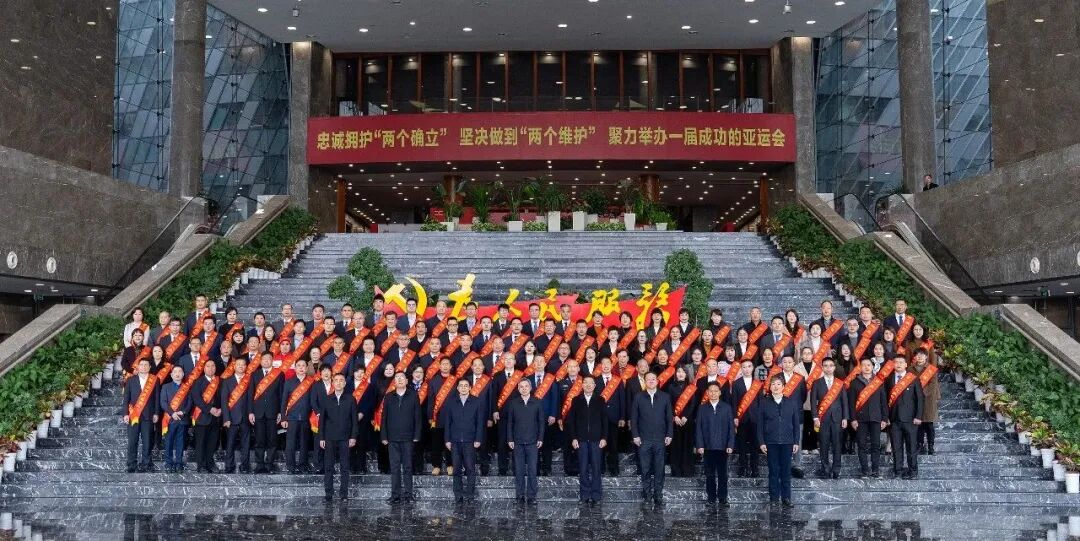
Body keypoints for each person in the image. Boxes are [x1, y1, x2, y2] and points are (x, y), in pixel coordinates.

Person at [757, 375, 801, 507]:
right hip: (771, 442)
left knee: (786, 471)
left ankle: (786, 498)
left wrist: (796, 441)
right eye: (773, 384)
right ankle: (774, 499)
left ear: (783, 387)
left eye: (778, 384)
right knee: (773, 471)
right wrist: (761, 442)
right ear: (770, 387)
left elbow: (796, 424)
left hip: (787, 442)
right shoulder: (764, 403)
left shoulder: (791, 402)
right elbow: (760, 425)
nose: (775, 387)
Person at [630, 372, 673, 506]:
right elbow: (634, 418)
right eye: (648, 379)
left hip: (660, 439)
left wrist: (669, 434)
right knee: (645, 469)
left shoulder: (665, 397)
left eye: (653, 379)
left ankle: (658, 495)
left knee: (659, 469)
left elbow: (669, 418)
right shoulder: (638, 397)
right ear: (645, 381)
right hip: (644, 439)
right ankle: (647, 495)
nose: (651, 381)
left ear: (657, 381)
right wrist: (635, 435)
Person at [566, 376, 608, 505]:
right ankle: (584, 496)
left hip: (596, 440)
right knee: (583, 468)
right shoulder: (576, 400)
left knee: (596, 468)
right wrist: (574, 438)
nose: (588, 385)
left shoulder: (600, 400)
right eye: (585, 383)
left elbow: (605, 420)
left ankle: (596, 496)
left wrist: (604, 437)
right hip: (581, 440)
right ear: (582, 385)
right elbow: (571, 421)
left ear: (595, 386)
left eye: (591, 383)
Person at [442, 378, 486, 502]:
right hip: (455, 441)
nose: (463, 388)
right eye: (461, 385)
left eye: (466, 385)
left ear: (470, 388)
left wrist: (478, 439)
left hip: (470, 441)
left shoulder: (477, 402)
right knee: (456, 469)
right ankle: (458, 495)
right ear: (457, 388)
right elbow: (447, 422)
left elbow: (480, 423)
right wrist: (447, 440)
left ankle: (470, 495)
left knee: (470, 469)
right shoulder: (451, 402)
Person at [382, 372, 422, 503]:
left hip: (408, 437)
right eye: (397, 378)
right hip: (392, 437)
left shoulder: (413, 395)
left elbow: (417, 416)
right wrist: (384, 435)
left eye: (402, 378)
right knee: (394, 467)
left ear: (406, 381)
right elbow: (384, 417)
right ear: (394, 381)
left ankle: (408, 494)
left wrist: (416, 435)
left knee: (408, 467)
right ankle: (395, 495)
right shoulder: (389, 396)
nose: (399, 380)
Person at [319, 373, 359, 502]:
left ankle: (344, 494)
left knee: (345, 467)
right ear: (332, 383)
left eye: (341, 380)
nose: (338, 382)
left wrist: (353, 436)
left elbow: (354, 420)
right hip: (329, 437)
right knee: (328, 466)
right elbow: (322, 421)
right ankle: (328, 493)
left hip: (345, 438)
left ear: (345, 383)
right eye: (336, 380)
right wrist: (321, 437)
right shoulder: (327, 399)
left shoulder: (351, 399)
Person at [506, 378, 545, 504]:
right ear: (518, 389)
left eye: (526, 386)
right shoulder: (513, 403)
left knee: (533, 470)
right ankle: (520, 495)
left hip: (533, 442)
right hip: (517, 442)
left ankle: (532, 496)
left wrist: (540, 438)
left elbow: (541, 422)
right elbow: (510, 422)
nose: (524, 389)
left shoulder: (537, 402)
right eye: (521, 387)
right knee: (519, 470)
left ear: (530, 388)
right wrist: (510, 439)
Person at [696, 382, 735, 505]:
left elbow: (731, 428)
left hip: (723, 447)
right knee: (709, 474)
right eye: (710, 391)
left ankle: (723, 498)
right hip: (708, 447)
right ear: (707, 393)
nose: (713, 393)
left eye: (715, 391)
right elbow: (698, 428)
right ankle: (711, 498)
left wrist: (730, 445)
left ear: (720, 392)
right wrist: (700, 445)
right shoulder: (702, 408)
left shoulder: (727, 408)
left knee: (723, 474)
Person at [809, 358, 848, 479]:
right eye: (825, 365)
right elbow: (813, 402)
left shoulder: (840, 383)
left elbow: (844, 402)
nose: (828, 368)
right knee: (824, 444)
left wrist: (845, 417)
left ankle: (836, 470)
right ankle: (825, 469)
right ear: (822, 367)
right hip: (822, 419)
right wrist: (815, 417)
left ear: (834, 367)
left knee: (837, 445)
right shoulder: (817, 383)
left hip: (837, 418)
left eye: (831, 365)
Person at [849, 358, 888, 478]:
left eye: (869, 365)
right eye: (864, 365)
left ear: (873, 367)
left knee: (876, 445)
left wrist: (884, 418)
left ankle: (875, 470)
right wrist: (853, 419)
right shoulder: (854, 383)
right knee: (861, 445)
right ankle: (865, 470)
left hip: (876, 418)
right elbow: (851, 403)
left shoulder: (878, 382)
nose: (866, 367)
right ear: (860, 367)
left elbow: (883, 402)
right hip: (860, 419)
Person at [886, 355, 923, 479]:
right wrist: (886, 417)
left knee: (911, 447)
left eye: (901, 362)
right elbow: (885, 399)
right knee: (896, 447)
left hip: (910, 420)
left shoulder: (913, 379)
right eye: (896, 362)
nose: (898, 364)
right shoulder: (889, 379)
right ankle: (898, 471)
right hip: (894, 420)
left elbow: (920, 399)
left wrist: (918, 416)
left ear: (906, 365)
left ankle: (913, 471)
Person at [121, 358, 159, 473]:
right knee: (132, 441)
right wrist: (125, 414)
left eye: (146, 365)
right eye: (141, 364)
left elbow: (157, 398)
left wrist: (156, 413)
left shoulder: (155, 380)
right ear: (138, 367)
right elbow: (126, 399)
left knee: (147, 441)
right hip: (133, 415)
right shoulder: (130, 380)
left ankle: (146, 464)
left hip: (148, 415)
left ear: (149, 367)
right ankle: (131, 464)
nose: (143, 366)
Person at [281, 359, 315, 474]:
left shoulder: (311, 382)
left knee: (304, 443)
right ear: (295, 368)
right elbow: (284, 401)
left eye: (303, 366)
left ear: (307, 368)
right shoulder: (289, 382)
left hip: (306, 417)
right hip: (292, 418)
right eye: (298, 366)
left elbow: (313, 400)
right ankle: (290, 467)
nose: (301, 368)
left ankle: (302, 466)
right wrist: (283, 418)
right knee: (290, 444)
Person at [250, 352, 282, 473]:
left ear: (272, 360)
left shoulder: (279, 374)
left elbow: (281, 395)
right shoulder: (255, 374)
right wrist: (250, 412)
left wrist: (280, 412)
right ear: (260, 361)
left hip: (273, 412)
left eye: (269, 359)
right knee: (259, 440)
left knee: (272, 440)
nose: (266, 361)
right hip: (258, 412)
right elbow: (250, 394)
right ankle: (259, 464)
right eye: (264, 359)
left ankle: (269, 464)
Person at [220, 357, 253, 473]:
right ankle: (229, 466)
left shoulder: (249, 380)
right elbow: (224, 401)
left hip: (245, 417)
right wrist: (226, 418)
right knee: (230, 443)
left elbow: (251, 399)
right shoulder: (227, 381)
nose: (241, 366)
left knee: (246, 443)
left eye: (243, 364)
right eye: (238, 364)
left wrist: (250, 413)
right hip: (231, 418)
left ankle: (245, 466)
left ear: (246, 366)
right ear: (234, 366)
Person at [730, 359, 761, 477]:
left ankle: (755, 468)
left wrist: (760, 417)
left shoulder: (758, 384)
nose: (747, 369)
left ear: (753, 368)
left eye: (749, 366)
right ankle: (742, 467)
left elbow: (760, 402)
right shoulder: (736, 383)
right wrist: (735, 417)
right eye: (744, 367)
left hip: (755, 418)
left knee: (755, 444)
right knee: (741, 444)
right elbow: (734, 402)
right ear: (741, 369)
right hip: (741, 418)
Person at [191, 360, 222, 473]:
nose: (211, 368)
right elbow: (197, 399)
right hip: (202, 417)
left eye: (213, 366)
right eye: (208, 366)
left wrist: (221, 409)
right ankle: (201, 465)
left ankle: (210, 463)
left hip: (216, 418)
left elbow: (224, 397)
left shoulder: (220, 381)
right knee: (201, 443)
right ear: (204, 368)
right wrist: (210, 409)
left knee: (212, 443)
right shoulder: (197, 382)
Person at [159, 365, 190, 473]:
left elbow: (190, 402)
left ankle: (179, 463)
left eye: (179, 371)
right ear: (171, 375)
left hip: (182, 419)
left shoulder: (187, 387)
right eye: (175, 372)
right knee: (169, 442)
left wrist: (183, 412)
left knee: (180, 442)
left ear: (183, 374)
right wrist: (172, 413)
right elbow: (163, 402)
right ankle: (168, 463)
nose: (177, 374)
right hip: (169, 419)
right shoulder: (165, 387)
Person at [912, 348, 940, 455]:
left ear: (926, 356)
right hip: (915, 401)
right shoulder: (910, 369)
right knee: (918, 425)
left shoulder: (931, 369)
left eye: (922, 355)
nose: (919, 357)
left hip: (928, 400)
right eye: (917, 355)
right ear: (914, 357)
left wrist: (921, 393)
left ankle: (931, 446)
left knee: (929, 425)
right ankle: (919, 445)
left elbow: (933, 385)